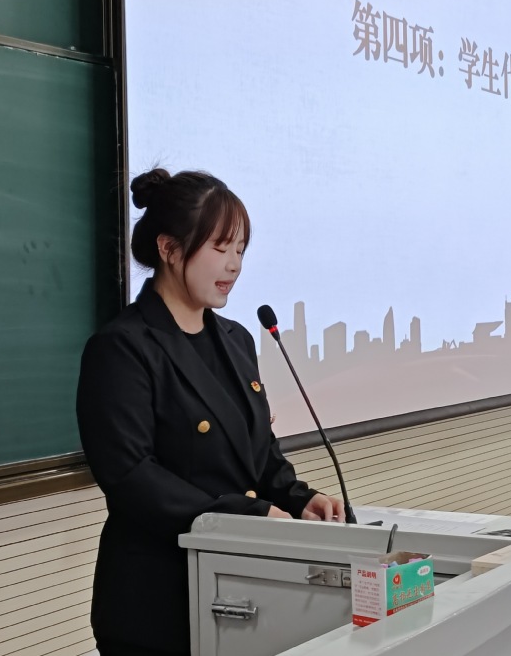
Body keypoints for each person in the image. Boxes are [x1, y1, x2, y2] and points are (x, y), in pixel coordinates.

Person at [76, 169, 344, 656]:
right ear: (169, 248)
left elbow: (257, 451)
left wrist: (299, 498)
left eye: (240, 250)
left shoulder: (236, 340)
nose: (234, 265)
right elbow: (131, 476)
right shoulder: (122, 348)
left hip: (240, 588)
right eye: (220, 248)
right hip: (157, 603)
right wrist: (246, 514)